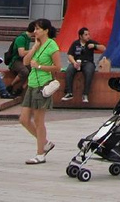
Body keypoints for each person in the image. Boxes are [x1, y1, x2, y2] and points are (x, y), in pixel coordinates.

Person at [18, 18, 60, 163]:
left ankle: (40, 153)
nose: (35, 31)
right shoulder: (37, 44)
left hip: (43, 84)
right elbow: (25, 62)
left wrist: (40, 67)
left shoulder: (52, 45)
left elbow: (57, 67)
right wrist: (35, 47)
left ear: (46, 30)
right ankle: (45, 143)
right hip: (32, 83)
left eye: (38, 29)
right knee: (23, 119)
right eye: (34, 29)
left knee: (38, 120)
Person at [62, 25, 102, 104]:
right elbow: (70, 55)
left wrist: (95, 46)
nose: (88, 36)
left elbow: (103, 48)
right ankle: (69, 93)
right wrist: (74, 62)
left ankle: (85, 94)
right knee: (69, 70)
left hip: (88, 62)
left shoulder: (91, 42)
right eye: (86, 35)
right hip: (76, 62)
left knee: (89, 71)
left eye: (88, 34)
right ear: (80, 36)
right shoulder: (75, 43)